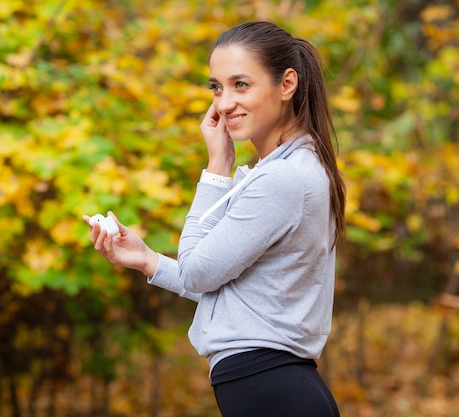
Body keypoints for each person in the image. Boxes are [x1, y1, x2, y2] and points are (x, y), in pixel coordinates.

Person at [83, 21, 345, 417]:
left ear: (287, 84)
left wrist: (217, 168)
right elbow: (234, 289)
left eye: (241, 84)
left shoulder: (282, 178)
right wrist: (148, 260)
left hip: (272, 390)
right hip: (274, 387)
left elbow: (198, 272)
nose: (223, 103)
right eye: (216, 87)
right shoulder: (289, 169)